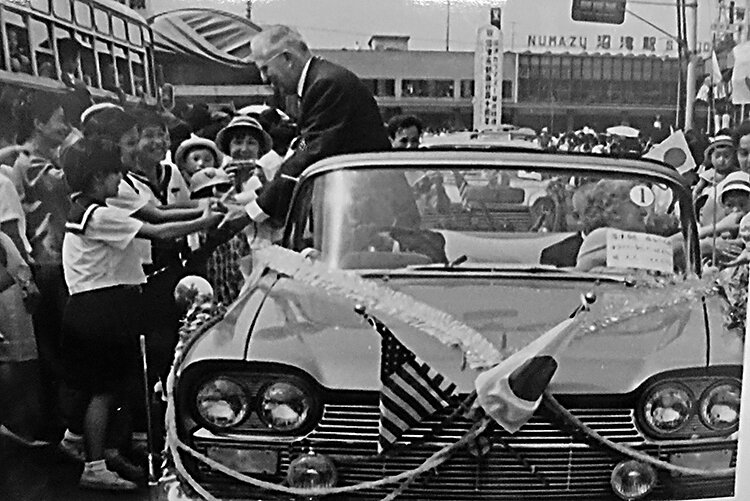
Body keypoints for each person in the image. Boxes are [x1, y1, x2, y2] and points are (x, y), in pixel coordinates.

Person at [60, 139, 221, 490]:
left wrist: (200, 213)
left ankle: (105, 449)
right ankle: (95, 464)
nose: (120, 181)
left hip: (106, 305)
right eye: (115, 174)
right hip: (98, 307)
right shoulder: (98, 215)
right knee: (102, 390)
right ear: (98, 177)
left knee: (114, 385)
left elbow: (159, 216)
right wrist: (204, 219)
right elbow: (159, 231)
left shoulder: (91, 208)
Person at [223, 24, 395, 231]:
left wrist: (255, 209)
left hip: (375, 213)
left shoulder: (326, 85)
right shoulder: (320, 81)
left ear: (287, 59)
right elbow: (304, 145)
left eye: (265, 68)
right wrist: (254, 195)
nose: (264, 78)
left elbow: (309, 151)